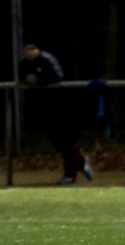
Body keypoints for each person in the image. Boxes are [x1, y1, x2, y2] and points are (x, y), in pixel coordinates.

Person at [19, 42, 92, 185]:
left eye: (30, 49)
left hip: (62, 104)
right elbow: (20, 76)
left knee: (67, 139)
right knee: (58, 140)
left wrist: (38, 81)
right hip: (46, 108)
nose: (27, 53)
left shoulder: (47, 59)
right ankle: (81, 163)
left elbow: (59, 76)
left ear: (37, 49)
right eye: (25, 50)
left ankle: (71, 174)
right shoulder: (24, 64)